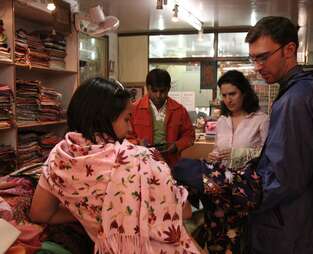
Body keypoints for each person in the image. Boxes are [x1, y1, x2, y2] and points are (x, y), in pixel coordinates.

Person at [29, 77, 200, 254]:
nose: (130, 127)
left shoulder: (60, 156)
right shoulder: (140, 158)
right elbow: (185, 210)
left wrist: (87, 209)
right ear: (105, 118)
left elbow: (40, 213)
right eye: (127, 119)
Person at [245, 16, 313, 254]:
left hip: (290, 225)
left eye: (263, 57)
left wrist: (240, 193)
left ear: (289, 49)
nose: (258, 66)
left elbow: (285, 177)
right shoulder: (308, 89)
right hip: (303, 219)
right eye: (253, 58)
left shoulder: (295, 99)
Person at [174, 70, 268, 254]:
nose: (228, 100)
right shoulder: (223, 121)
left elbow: (267, 155)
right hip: (218, 191)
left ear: (244, 92)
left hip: (243, 190)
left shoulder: (261, 120)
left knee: (237, 240)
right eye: (224, 95)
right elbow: (218, 149)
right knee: (215, 237)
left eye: (232, 94)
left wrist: (238, 154)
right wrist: (213, 156)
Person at [131, 68, 195, 168]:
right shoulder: (134, 109)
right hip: (141, 164)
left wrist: (177, 146)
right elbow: (124, 137)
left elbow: (189, 135)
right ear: (148, 88)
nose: (158, 95)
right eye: (154, 91)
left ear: (169, 88)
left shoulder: (179, 110)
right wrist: (138, 143)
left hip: (171, 165)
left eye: (162, 91)